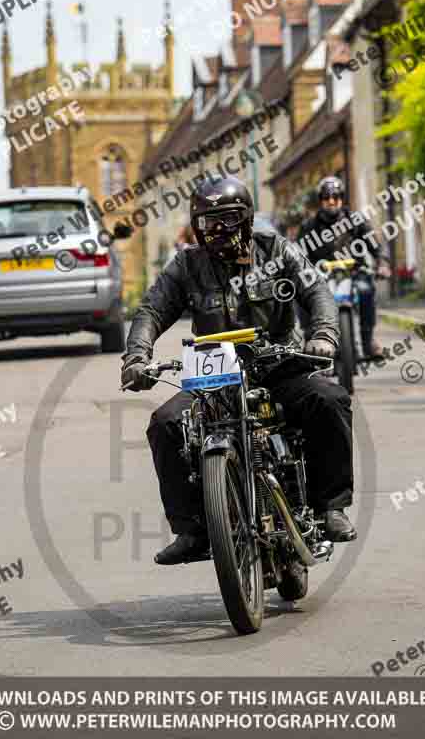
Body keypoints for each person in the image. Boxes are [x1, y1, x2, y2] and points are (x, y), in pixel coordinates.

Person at [121, 176, 357, 565]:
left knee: (329, 400)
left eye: (227, 220)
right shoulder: (186, 265)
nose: (217, 231)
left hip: (278, 365)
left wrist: (325, 336)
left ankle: (331, 507)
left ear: (246, 219)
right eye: (208, 223)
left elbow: (317, 293)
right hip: (216, 374)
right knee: (165, 423)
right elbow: (151, 310)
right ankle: (192, 529)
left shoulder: (276, 250)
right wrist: (136, 358)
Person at [298, 176, 391, 358]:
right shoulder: (309, 226)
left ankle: (368, 342)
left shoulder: (356, 220)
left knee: (365, 289)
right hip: (321, 276)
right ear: (321, 200)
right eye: (326, 197)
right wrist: (300, 273)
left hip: (354, 272)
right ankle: (312, 344)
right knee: (305, 297)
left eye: (336, 196)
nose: (331, 201)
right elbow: (298, 255)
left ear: (342, 198)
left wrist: (382, 262)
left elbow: (375, 244)